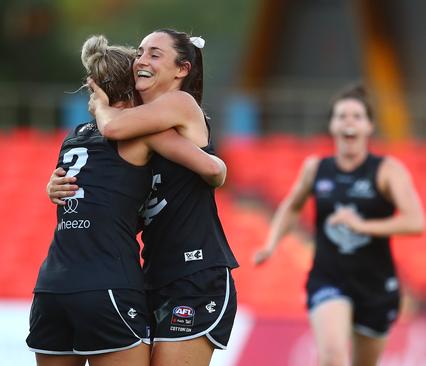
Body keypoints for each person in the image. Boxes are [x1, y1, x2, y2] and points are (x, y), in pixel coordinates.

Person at [26, 35, 227, 366]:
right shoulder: (137, 128)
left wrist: (102, 106)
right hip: (150, 274)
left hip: (194, 272)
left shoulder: (176, 104)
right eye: (139, 53)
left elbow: (215, 170)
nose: (142, 60)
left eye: (154, 54)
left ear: (182, 69)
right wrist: (58, 188)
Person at [253, 84, 424, 366]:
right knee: (332, 357)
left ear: (369, 126)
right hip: (328, 277)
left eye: (356, 116)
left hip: (376, 283)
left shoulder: (387, 171)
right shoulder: (316, 169)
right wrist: (271, 244)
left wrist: (363, 226)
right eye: (341, 116)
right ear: (332, 125)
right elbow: (292, 205)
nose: (348, 122)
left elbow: (415, 222)